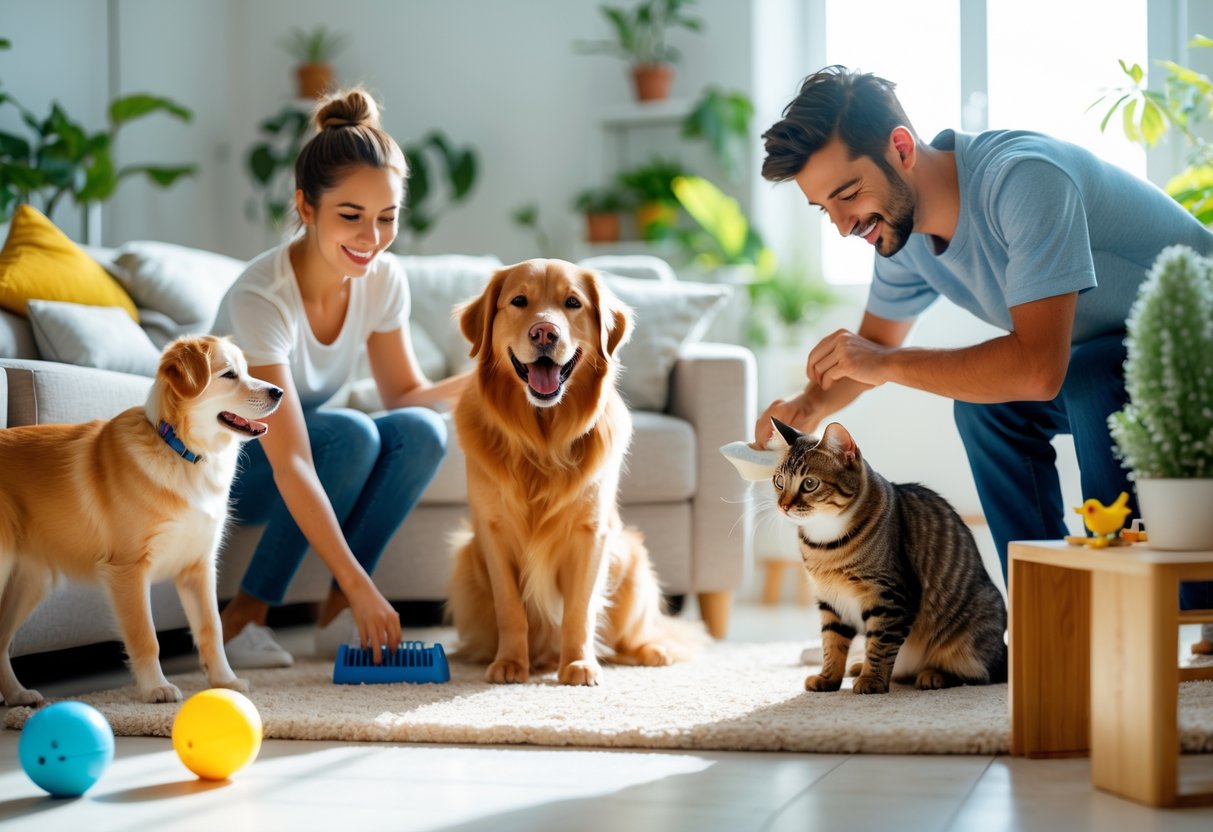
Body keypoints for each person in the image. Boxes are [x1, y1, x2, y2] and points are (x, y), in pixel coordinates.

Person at [753, 65, 1213, 629]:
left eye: (847, 194)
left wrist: (888, 364)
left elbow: (1040, 370)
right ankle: (1055, 619)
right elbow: (869, 349)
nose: (845, 225)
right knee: (985, 408)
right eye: (826, 209)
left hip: (1196, 357)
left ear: (901, 149)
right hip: (1119, 365)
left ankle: (1155, 611)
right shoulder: (904, 235)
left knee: (1089, 374)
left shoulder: (1022, 180)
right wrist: (805, 410)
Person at [212, 87, 464, 668]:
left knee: (422, 429)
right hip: (230, 465)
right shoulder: (261, 298)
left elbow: (405, 395)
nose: (370, 239)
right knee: (350, 433)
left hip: (301, 450)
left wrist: (494, 375)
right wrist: (363, 584)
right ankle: (242, 619)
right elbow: (291, 458)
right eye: (350, 217)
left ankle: (335, 620)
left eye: (387, 218)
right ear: (305, 208)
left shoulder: (381, 278)